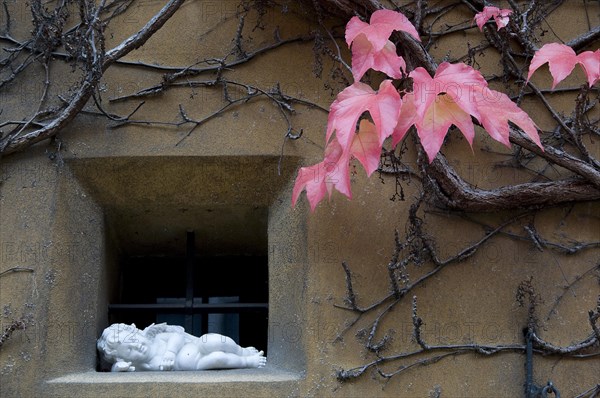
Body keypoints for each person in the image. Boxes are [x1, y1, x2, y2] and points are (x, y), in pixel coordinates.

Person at [97, 323, 266, 371]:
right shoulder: (139, 366)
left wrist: (171, 352)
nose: (138, 346)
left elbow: (177, 335)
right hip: (198, 364)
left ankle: (242, 351)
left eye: (135, 340)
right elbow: (120, 373)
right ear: (122, 357)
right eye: (129, 350)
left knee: (213, 340)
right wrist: (117, 368)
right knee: (217, 358)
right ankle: (247, 362)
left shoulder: (156, 340)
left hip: (197, 346)